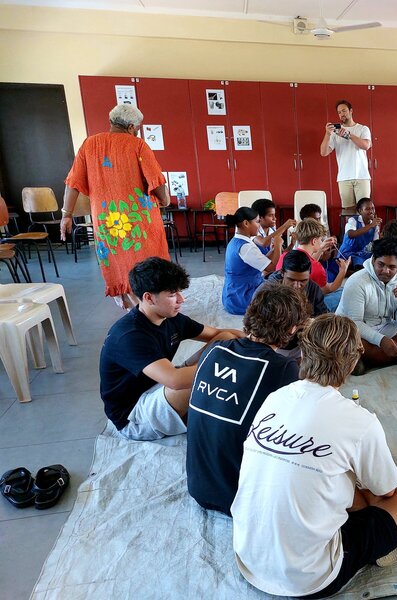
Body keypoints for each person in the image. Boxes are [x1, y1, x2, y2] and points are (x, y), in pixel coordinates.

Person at [231, 314, 397, 598]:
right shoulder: (359, 421)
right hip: (310, 578)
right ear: (353, 362)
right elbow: (389, 490)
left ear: (303, 353)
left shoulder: (275, 397)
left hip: (248, 557)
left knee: (337, 475)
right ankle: (379, 549)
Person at [186, 284, 308, 515]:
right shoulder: (283, 368)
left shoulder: (215, 349)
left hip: (198, 487)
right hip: (240, 499)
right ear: (292, 329)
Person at [99, 258, 243, 441]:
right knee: (212, 375)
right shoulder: (129, 335)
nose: (181, 300)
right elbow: (174, 381)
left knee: (226, 340)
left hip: (159, 385)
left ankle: (194, 407)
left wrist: (255, 341)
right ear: (148, 297)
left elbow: (219, 333)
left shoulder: (171, 318)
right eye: (172, 294)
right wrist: (229, 369)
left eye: (180, 292)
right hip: (134, 416)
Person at [61, 104, 171, 309]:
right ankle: (153, 307)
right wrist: (165, 200)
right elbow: (157, 182)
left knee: (119, 262)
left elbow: (72, 183)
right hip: (140, 221)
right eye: (137, 128)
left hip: (107, 222)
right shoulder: (138, 145)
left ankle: (131, 307)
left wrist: (66, 215)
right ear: (131, 127)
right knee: (149, 263)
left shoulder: (89, 144)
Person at [336, 237, 397, 371]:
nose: (385, 271)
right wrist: (381, 340)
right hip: (354, 329)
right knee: (350, 342)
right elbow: (355, 323)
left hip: (384, 326)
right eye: (381, 265)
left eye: (392, 267)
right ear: (373, 260)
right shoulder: (357, 281)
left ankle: (372, 358)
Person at [265, 249, 329, 360]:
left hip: (302, 345)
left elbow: (323, 319)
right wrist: (294, 327)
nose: (297, 286)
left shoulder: (313, 289)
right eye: (291, 279)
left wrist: (313, 323)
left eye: (303, 280)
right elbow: (257, 330)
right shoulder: (266, 292)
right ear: (282, 273)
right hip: (272, 346)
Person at [221, 207, 278, 316]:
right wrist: (279, 245)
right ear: (246, 223)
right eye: (257, 222)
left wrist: (274, 250)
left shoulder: (238, 241)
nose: (259, 225)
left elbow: (261, 260)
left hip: (233, 294)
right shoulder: (245, 247)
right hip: (241, 297)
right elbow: (271, 268)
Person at [276, 218, 349, 297]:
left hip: (282, 297)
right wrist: (343, 271)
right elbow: (329, 289)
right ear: (314, 241)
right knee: (342, 292)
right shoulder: (316, 266)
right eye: (320, 239)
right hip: (305, 303)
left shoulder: (284, 256)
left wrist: (320, 249)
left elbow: (309, 260)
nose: (321, 242)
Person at [320, 99, 372, 210]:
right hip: (344, 178)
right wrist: (328, 134)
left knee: (365, 211)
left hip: (361, 176)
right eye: (339, 112)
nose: (342, 114)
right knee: (348, 212)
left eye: (344, 111)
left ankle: (366, 228)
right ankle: (350, 228)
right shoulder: (335, 132)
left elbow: (366, 146)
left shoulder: (362, 129)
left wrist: (350, 135)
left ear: (351, 111)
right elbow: (323, 152)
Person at [340, 197, 381, 266]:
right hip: (348, 253)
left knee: (376, 258)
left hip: (362, 253)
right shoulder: (353, 220)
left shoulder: (375, 225)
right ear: (360, 211)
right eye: (367, 209)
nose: (371, 211)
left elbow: (375, 243)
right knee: (356, 262)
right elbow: (351, 234)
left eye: (373, 208)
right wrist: (371, 225)